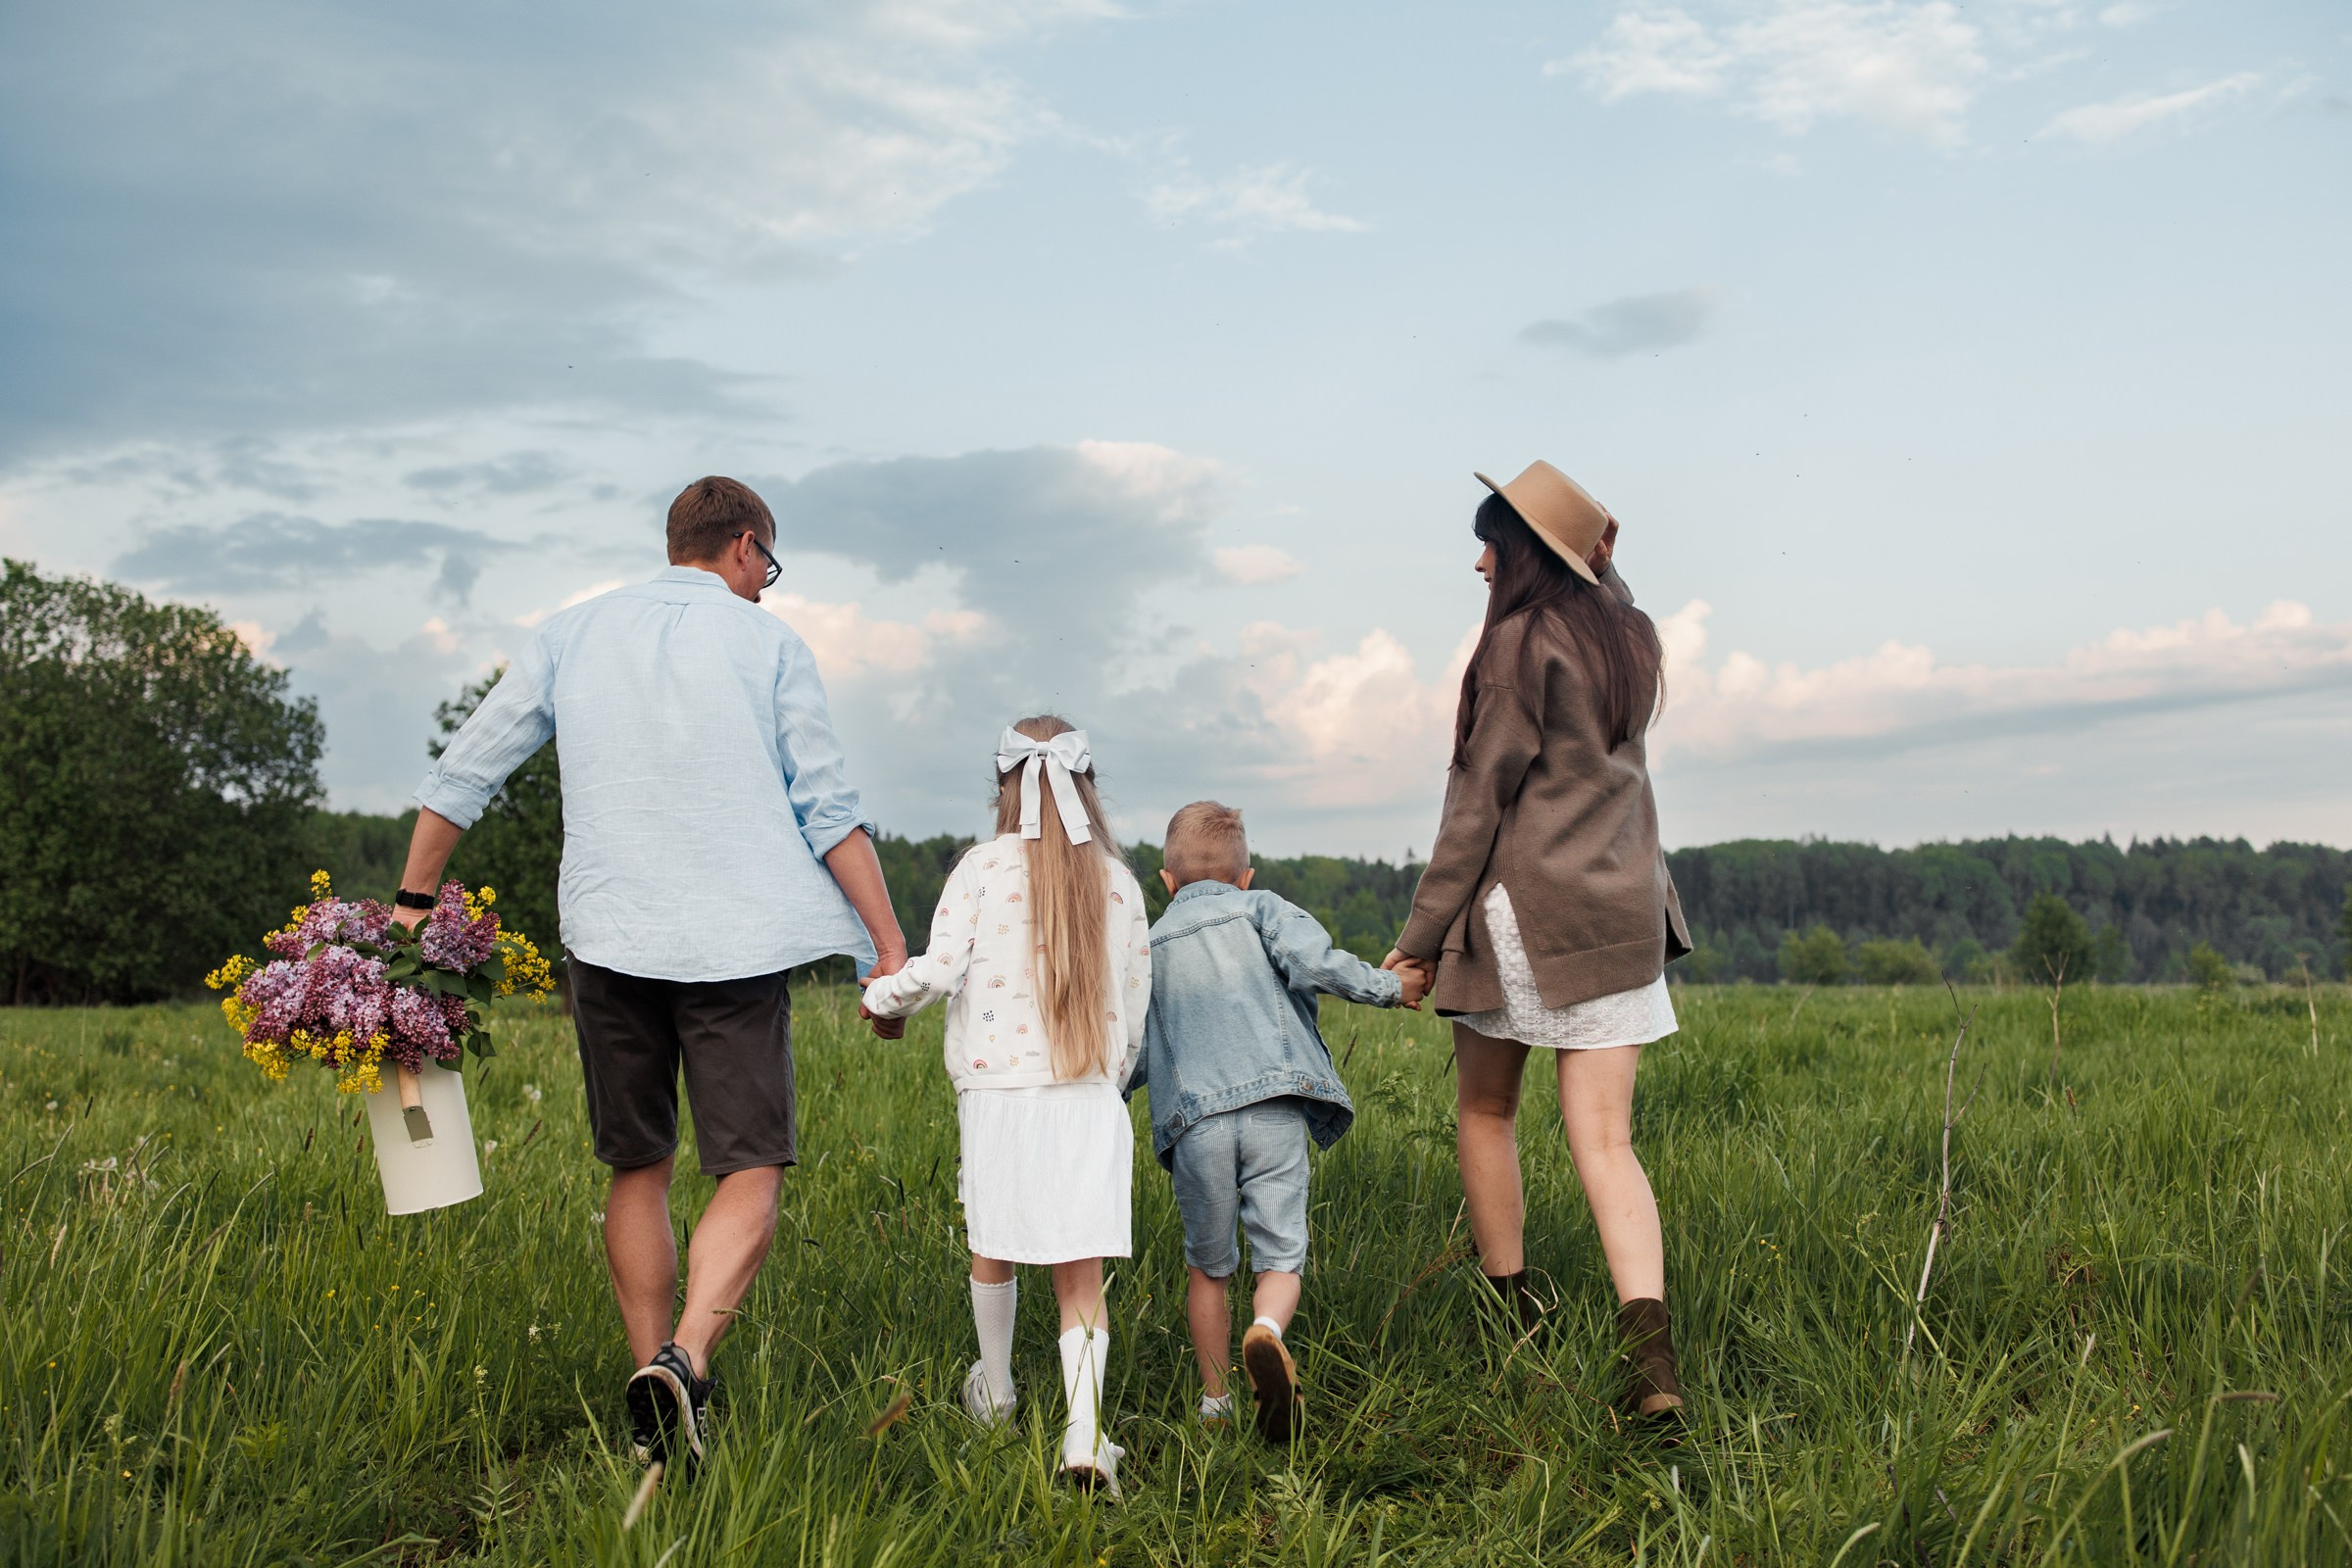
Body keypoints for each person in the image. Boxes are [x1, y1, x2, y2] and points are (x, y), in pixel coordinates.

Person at [393, 475, 907, 1468]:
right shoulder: (768, 643)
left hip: (608, 932)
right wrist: (883, 943)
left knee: (639, 1164)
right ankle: (686, 1360)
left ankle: (657, 1406)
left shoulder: (570, 632)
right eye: (769, 566)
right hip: (733, 941)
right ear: (746, 546)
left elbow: (467, 769)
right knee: (748, 1165)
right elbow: (828, 807)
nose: (766, 584)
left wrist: (414, 906)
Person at [1383, 461, 1692, 1420]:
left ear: (1523, 554)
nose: (1479, 561)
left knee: (1487, 1112)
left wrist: (1419, 939)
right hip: (1624, 913)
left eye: (1490, 542)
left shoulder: (1515, 647)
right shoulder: (1630, 634)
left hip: (1531, 914)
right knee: (1608, 1141)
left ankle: (1516, 1322)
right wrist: (1602, 553)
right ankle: (1652, 1367)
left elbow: (1473, 809)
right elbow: (1608, 587)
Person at [859, 716, 1150, 1495]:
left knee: (993, 1241)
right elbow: (1136, 999)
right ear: (1087, 787)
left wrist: (881, 994)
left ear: (1005, 787)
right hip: (1088, 1095)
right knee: (1079, 1278)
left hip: (996, 1094)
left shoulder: (981, 869)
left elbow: (940, 966)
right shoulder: (1118, 882)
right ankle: (1084, 1442)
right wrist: (1105, 1081)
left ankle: (996, 1394)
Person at [1129, 802, 1426, 1444]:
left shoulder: (1145, 947)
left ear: (1166, 881)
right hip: (1274, 1110)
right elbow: (1319, 964)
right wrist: (1389, 987)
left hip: (1196, 1124)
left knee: (1208, 1268)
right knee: (1281, 1255)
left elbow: (1129, 1051)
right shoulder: (1261, 908)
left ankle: (1215, 1403)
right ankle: (1266, 1331)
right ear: (1245, 874)